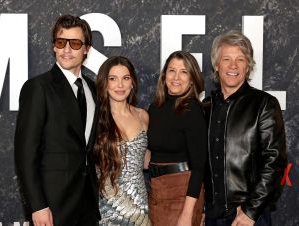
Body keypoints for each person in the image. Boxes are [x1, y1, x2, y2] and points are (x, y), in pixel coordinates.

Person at [14, 15, 100, 226]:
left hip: (87, 205)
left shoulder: (93, 88)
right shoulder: (38, 87)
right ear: (54, 46)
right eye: (61, 42)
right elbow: (26, 153)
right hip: (53, 206)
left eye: (75, 43)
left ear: (86, 48)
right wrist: (38, 206)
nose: (67, 49)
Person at [203, 30, 287, 226]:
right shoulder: (205, 107)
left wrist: (250, 211)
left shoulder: (264, 104)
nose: (233, 66)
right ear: (216, 65)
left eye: (240, 59)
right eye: (226, 59)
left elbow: (274, 163)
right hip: (211, 216)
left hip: (248, 216)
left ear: (248, 65)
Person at [147, 50, 207, 226]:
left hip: (182, 191)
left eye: (184, 72)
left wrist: (188, 213)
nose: (176, 77)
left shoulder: (192, 110)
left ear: (192, 78)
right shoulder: (155, 107)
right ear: (165, 74)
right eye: (172, 70)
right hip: (157, 189)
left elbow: (199, 167)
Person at [94, 56, 151, 225]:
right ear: (105, 83)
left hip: (141, 205)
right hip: (109, 209)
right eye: (113, 79)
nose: (120, 85)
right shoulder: (95, 119)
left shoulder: (143, 116)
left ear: (132, 82)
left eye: (125, 78)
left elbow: (145, 160)